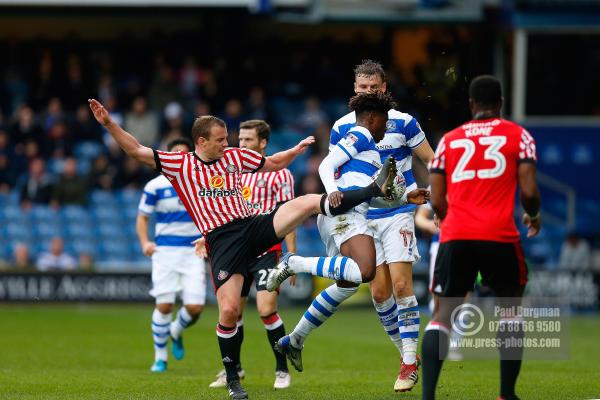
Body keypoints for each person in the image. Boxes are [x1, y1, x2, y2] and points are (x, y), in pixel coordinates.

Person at [88, 97, 398, 400]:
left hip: (252, 225)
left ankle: (373, 190)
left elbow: (274, 163)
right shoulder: (179, 164)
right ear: (201, 141)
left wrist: (295, 149)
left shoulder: (234, 157)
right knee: (229, 311)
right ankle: (233, 376)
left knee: (305, 203)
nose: (228, 144)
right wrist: (109, 123)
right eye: (221, 140)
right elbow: (135, 149)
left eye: (228, 139)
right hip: (222, 240)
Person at [267, 92, 430, 373]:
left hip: (351, 216)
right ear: (371, 118)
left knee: (348, 283)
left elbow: (370, 195)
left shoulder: (369, 148)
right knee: (365, 272)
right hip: (344, 216)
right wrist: (332, 193)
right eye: (383, 123)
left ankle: (295, 339)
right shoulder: (361, 134)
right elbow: (326, 165)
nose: (384, 130)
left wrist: (406, 198)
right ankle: (295, 263)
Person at [422, 75, 541, 400]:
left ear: (471, 104)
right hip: (499, 235)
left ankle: (428, 396)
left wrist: (446, 216)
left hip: (456, 234)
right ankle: (506, 394)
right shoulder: (520, 136)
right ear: (501, 103)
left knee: (442, 314)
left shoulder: (449, 139)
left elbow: (437, 197)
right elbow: (529, 191)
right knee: (510, 311)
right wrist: (533, 213)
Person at [332, 60, 435, 392]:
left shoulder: (403, 123)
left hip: (398, 212)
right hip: (364, 215)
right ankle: (407, 355)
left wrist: (436, 199)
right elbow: (338, 172)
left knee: (402, 286)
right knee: (378, 292)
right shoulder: (341, 127)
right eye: (362, 88)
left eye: (374, 87)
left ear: (385, 89)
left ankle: (407, 362)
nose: (368, 92)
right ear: (354, 90)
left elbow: (431, 160)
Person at [207, 119, 297, 389]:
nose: (241, 144)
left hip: (267, 249)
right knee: (232, 313)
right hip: (236, 249)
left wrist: (291, 255)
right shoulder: (231, 169)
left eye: (248, 140)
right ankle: (235, 369)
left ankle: (282, 370)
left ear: (263, 143)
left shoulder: (280, 174)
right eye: (240, 139)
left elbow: (289, 215)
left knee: (267, 308)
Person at [136, 137, 206, 373]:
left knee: (196, 307)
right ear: (167, 156)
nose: (179, 157)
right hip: (165, 251)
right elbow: (143, 216)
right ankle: (160, 358)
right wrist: (145, 242)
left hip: (193, 249)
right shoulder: (155, 186)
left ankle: (175, 330)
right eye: (175, 153)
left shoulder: (199, 183)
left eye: (184, 153)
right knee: (164, 305)